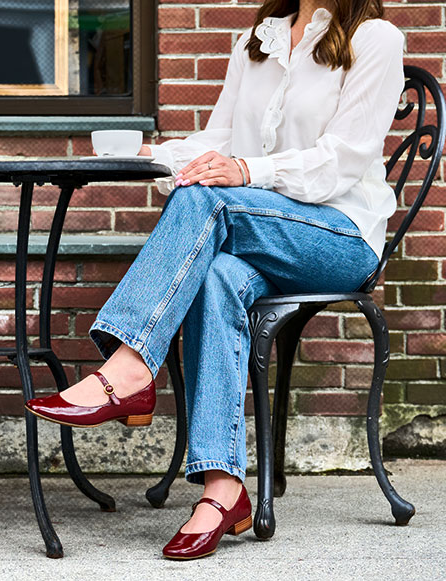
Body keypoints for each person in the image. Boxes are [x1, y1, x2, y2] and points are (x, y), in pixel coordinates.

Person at [26, 0, 405, 560]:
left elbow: (344, 160)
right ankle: (223, 489)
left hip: (341, 234)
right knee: (218, 274)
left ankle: (129, 367)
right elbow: (221, 142)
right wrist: (151, 158)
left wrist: (250, 173)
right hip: (260, 227)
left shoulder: (374, 38)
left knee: (209, 204)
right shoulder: (260, 39)